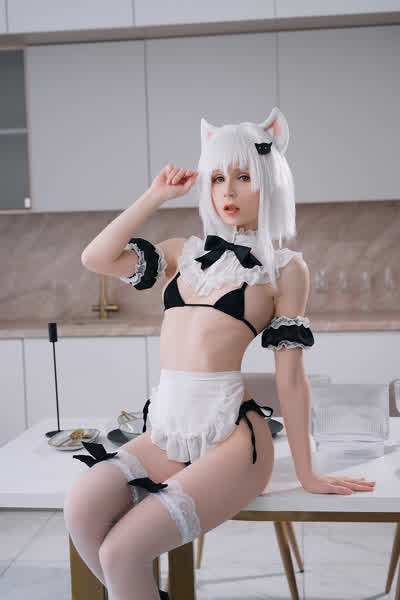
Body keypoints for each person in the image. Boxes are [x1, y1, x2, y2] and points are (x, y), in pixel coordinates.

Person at [63, 107, 376, 600]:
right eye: (217, 178)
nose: (228, 191)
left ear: (269, 183)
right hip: (168, 429)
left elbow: (291, 378)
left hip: (233, 438)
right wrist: (156, 195)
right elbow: (95, 257)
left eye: (244, 177)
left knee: (121, 552)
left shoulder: (285, 269)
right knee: (81, 507)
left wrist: (307, 471)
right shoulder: (179, 252)